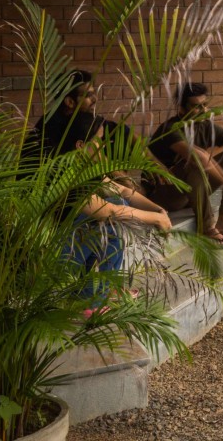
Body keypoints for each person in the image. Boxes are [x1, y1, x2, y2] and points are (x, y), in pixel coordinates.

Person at [54, 113, 172, 307]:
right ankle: (90, 303)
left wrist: (159, 210)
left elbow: (123, 190)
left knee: (116, 204)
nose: (103, 146)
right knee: (110, 225)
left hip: (71, 250)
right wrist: (155, 219)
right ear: (81, 145)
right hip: (53, 261)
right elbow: (107, 211)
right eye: (99, 141)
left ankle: (102, 290)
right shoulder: (68, 176)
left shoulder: (84, 169)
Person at [147, 82, 223, 248]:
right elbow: (196, 158)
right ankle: (206, 227)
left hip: (192, 190)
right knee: (193, 163)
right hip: (166, 195)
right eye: (196, 107)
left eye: (205, 105)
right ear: (181, 108)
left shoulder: (205, 126)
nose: (203, 111)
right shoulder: (170, 129)